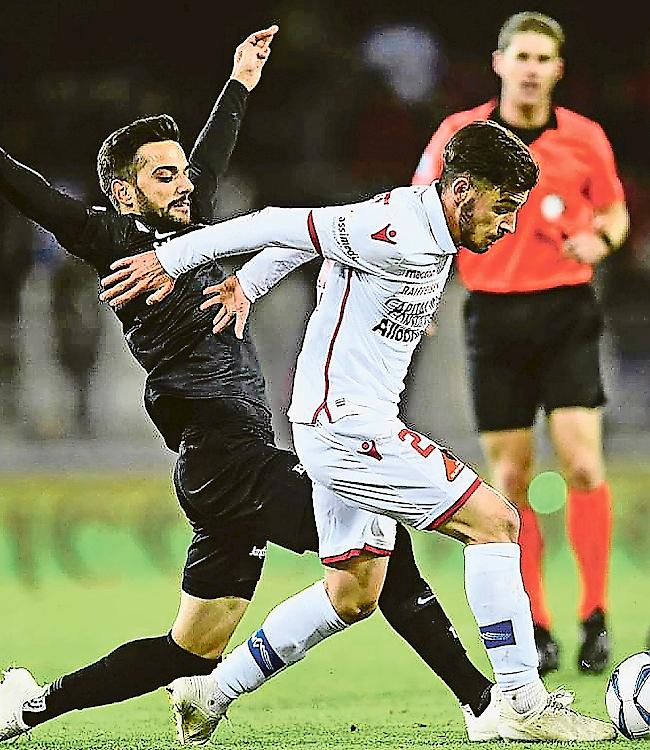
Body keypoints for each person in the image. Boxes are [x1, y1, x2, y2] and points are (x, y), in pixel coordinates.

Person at [0, 26, 498, 746]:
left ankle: (25, 707)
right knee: (383, 540)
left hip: (222, 468)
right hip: (229, 459)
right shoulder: (109, 239)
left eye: (182, 173)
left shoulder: (188, 232)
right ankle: (485, 704)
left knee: (188, 650)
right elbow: (30, 190)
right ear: (121, 191)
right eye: (163, 175)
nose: (183, 183)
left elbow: (211, 157)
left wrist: (240, 82)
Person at [100, 120, 616, 743]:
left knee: (354, 591)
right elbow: (273, 222)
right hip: (346, 425)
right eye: (502, 208)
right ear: (460, 193)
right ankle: (519, 703)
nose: (507, 226)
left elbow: (311, 236)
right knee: (497, 522)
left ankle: (213, 690)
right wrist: (170, 257)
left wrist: (250, 282)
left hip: (342, 424)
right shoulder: (393, 231)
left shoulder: (408, 221)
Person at [411, 11, 629, 675]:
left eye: (544, 57)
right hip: (494, 319)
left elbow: (614, 209)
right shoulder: (460, 135)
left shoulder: (584, 138)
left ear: (558, 69)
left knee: (583, 464)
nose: (532, 67)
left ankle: (594, 617)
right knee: (511, 478)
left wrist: (602, 239)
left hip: (565, 311)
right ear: (499, 62)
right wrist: (414, 290)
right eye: (522, 55)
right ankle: (536, 625)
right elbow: (418, 211)